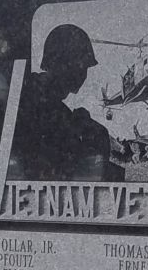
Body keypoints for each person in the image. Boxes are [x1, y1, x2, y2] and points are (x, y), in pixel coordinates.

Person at [9, 23, 124, 182]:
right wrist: (88, 132)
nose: (83, 75)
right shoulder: (37, 99)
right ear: (64, 64)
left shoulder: (40, 95)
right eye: (82, 67)